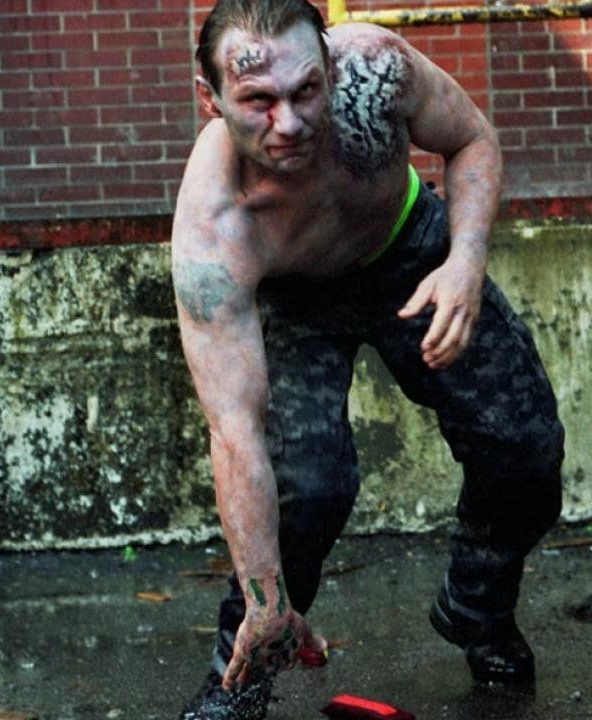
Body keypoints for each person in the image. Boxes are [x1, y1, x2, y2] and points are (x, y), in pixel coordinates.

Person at [169, 1, 565, 717]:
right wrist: (266, 598)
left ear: (328, 64)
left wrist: (465, 262)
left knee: (525, 445)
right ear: (211, 99)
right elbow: (235, 431)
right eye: (258, 101)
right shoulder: (213, 227)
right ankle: (239, 674)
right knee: (309, 489)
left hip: (409, 250)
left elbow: (472, 138)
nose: (289, 122)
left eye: (306, 90)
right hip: (293, 296)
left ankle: (476, 606)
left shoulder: (376, 69)